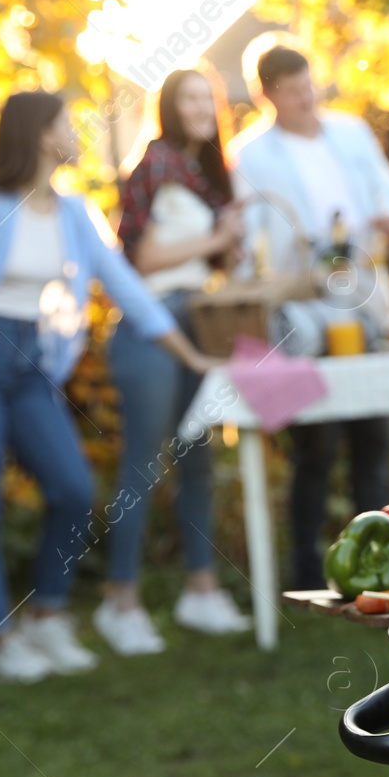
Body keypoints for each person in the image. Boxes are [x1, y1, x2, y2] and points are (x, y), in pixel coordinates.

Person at [0, 90, 217, 683]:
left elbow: (128, 290)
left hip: (29, 364)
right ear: (41, 134)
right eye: (66, 123)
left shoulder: (74, 213)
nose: (76, 131)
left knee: (73, 490)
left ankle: (46, 615)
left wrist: (193, 356)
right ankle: (0, 639)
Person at [229, 38, 389, 589]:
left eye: (308, 87)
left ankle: (380, 563)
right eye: (290, 93)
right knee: (315, 440)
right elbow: (250, 240)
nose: (304, 100)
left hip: (362, 300)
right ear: (267, 96)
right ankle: (308, 569)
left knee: (372, 434)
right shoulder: (253, 155)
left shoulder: (350, 132)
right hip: (302, 312)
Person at [94, 68, 252, 656]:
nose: (198, 108)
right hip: (150, 328)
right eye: (186, 98)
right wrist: (214, 240)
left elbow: (218, 268)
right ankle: (121, 602)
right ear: (168, 106)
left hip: (199, 323)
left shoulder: (209, 176)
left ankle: (201, 589)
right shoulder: (155, 166)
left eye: (204, 98)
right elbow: (144, 259)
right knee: (143, 464)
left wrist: (229, 240)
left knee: (198, 458)